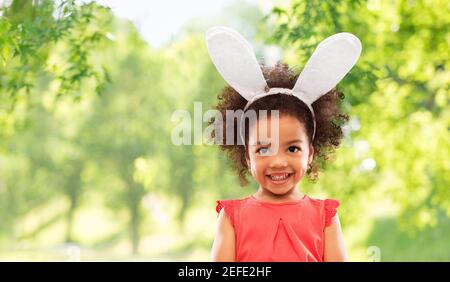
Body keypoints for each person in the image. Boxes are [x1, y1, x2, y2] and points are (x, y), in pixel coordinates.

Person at [206, 26, 361, 262]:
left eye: (292, 148)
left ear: (310, 153)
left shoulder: (325, 217)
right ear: (247, 156)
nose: (278, 161)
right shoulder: (231, 217)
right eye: (263, 149)